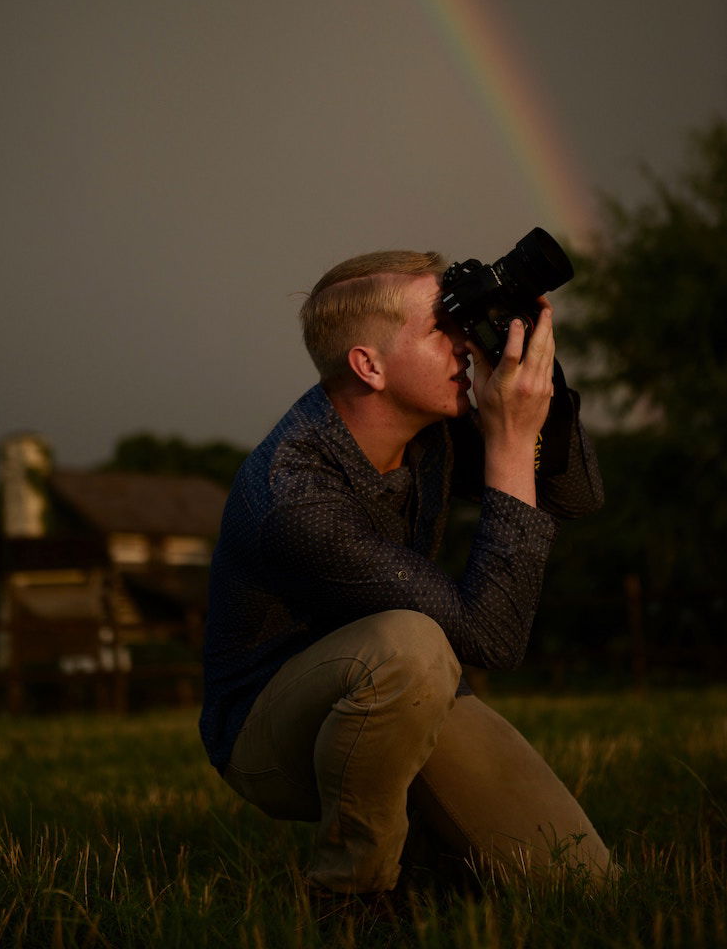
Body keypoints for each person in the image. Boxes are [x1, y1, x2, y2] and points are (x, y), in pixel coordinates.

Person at [199, 249, 615, 896]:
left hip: (405, 693)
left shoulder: (432, 432)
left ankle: (430, 862)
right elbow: (494, 639)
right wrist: (507, 445)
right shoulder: (294, 496)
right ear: (368, 365)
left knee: (580, 884)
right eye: (441, 327)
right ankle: (350, 893)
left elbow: (575, 496)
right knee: (411, 643)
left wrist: (542, 386)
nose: (462, 343)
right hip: (269, 736)